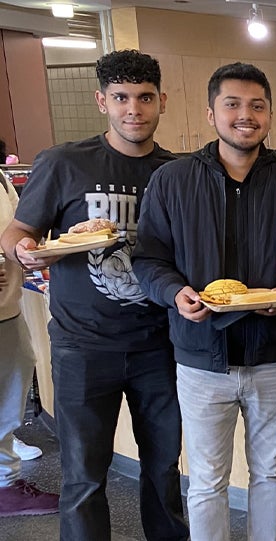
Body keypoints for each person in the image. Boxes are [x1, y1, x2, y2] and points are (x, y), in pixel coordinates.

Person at [0, 50, 187, 541]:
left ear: (161, 101)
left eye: (145, 98)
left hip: (158, 344)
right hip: (82, 346)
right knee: (83, 478)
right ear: (101, 100)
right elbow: (19, 231)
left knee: (165, 470)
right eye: (121, 98)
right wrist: (25, 252)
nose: (134, 110)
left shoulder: (176, 173)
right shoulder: (64, 162)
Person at [132, 62, 276, 541]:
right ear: (211, 113)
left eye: (257, 106)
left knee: (271, 471)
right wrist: (175, 293)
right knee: (207, 479)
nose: (245, 115)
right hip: (200, 356)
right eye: (232, 104)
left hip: (271, 352)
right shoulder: (172, 180)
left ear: (269, 115)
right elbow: (149, 258)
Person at [0, 169, 59, 518]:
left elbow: (17, 231)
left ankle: (6, 484)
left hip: (7, 308)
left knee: (12, 388)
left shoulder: (2, 179)